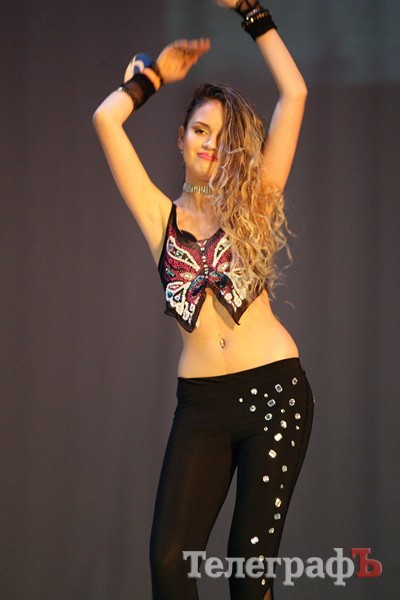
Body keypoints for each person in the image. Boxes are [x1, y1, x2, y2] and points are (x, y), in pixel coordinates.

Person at [93, 1, 314, 598]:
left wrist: (249, 10)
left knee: (247, 570)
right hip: (202, 406)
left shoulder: (256, 199)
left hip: (274, 394)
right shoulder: (158, 216)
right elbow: (106, 120)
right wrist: (152, 79)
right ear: (182, 137)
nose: (211, 145)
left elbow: (294, 93)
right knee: (169, 562)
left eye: (222, 136)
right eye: (200, 130)